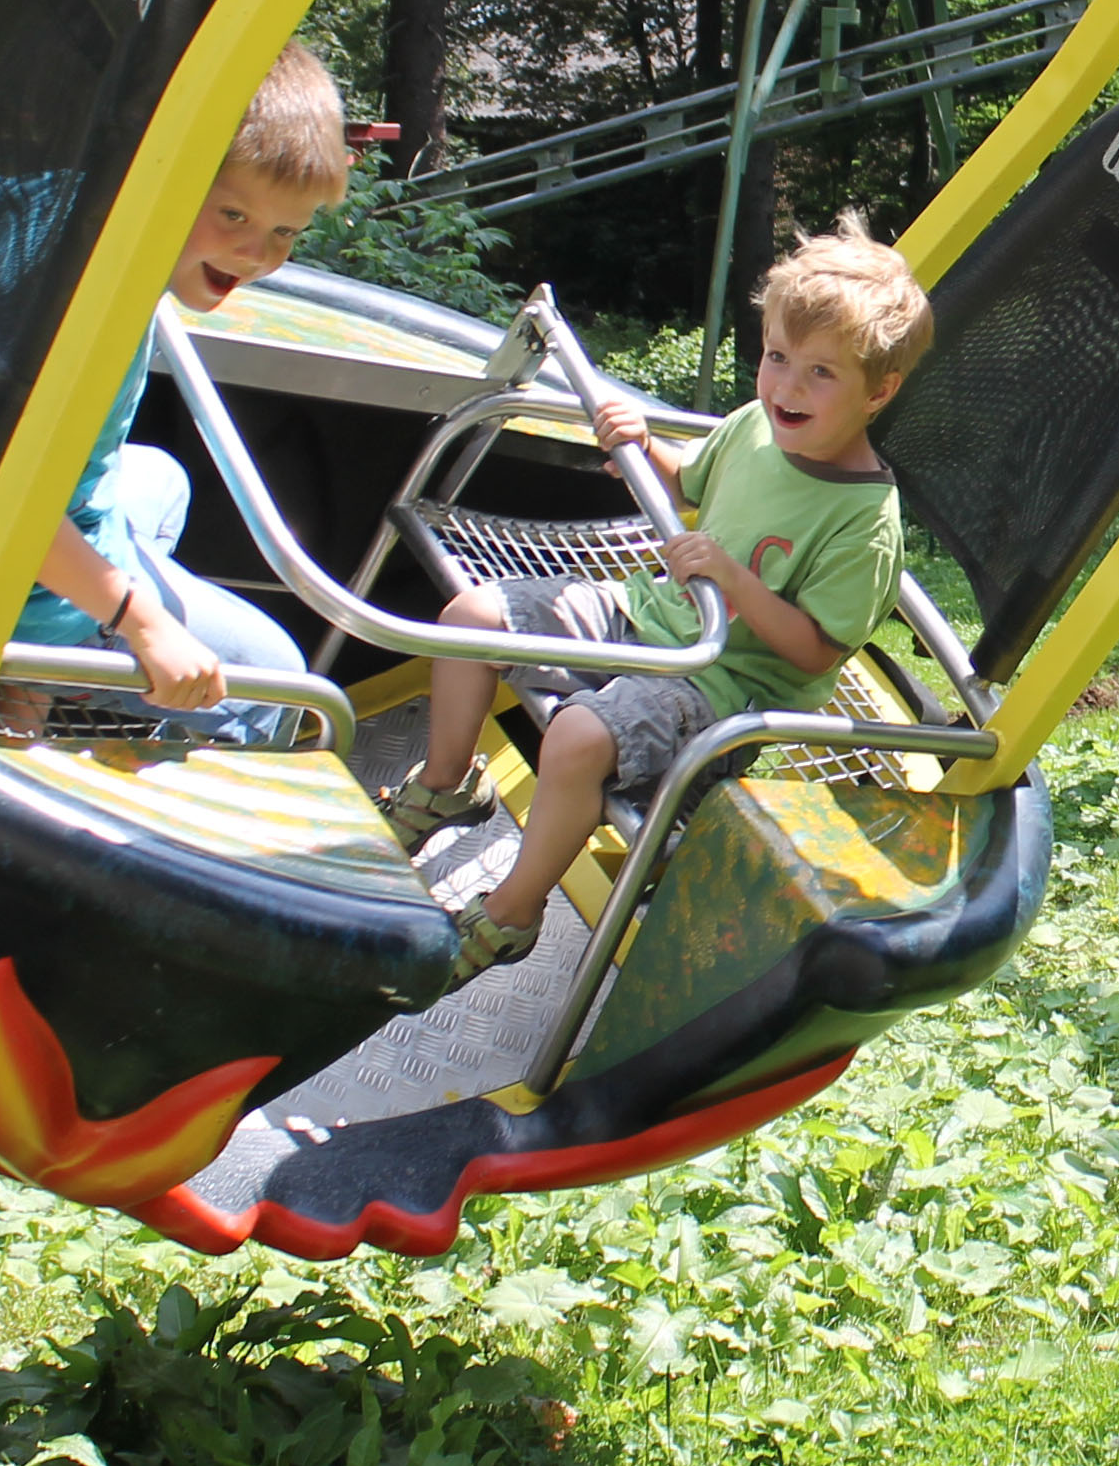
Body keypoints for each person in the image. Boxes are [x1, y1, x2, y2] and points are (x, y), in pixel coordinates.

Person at [382, 216, 932, 964]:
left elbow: (813, 653)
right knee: (471, 616)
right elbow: (690, 478)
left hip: (721, 685)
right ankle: (448, 784)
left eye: (821, 373)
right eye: (776, 357)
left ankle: (512, 914)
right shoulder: (755, 427)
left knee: (576, 737)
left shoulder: (863, 521)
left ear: (880, 390)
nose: (786, 387)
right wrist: (644, 445)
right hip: (650, 617)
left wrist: (731, 578)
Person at [0, 45, 351, 741]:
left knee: (162, 478)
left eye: (285, 231)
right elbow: (5, 508)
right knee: (277, 681)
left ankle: (39, 687)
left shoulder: (43, 207)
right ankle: (72, 760)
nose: (257, 254)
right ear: (166, 169)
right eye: (233, 215)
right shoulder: (92, 322)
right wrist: (144, 625)